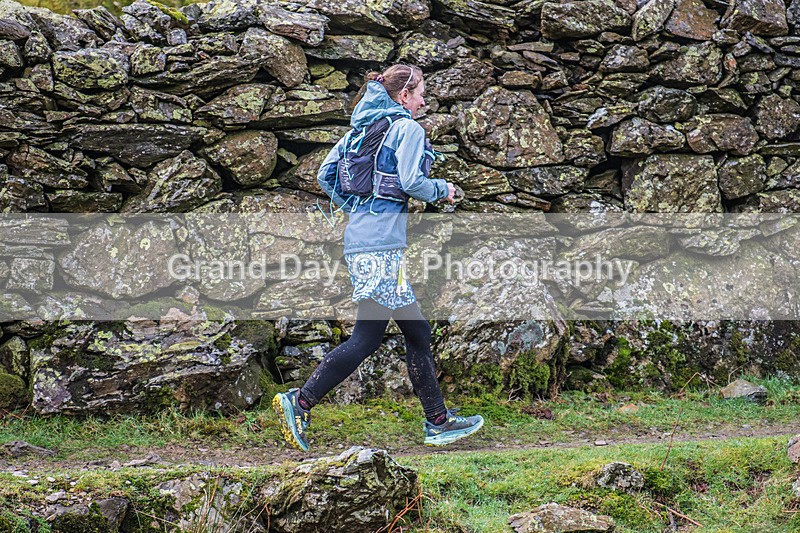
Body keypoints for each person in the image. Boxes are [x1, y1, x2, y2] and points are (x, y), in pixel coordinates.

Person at [273, 64, 484, 452]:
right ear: (404, 95)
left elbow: (325, 176)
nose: (423, 101)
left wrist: (360, 208)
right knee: (367, 337)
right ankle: (300, 402)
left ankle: (437, 421)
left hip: (363, 241)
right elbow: (411, 182)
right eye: (420, 94)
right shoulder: (407, 129)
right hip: (382, 247)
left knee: (417, 331)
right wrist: (444, 189)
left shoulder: (359, 130)